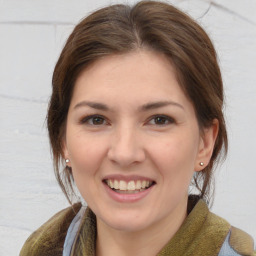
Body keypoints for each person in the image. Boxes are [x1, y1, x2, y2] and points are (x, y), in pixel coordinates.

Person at [20, 1, 255, 255]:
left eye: (159, 120)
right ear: (63, 139)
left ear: (204, 143)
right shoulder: (41, 248)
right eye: (96, 120)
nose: (125, 153)